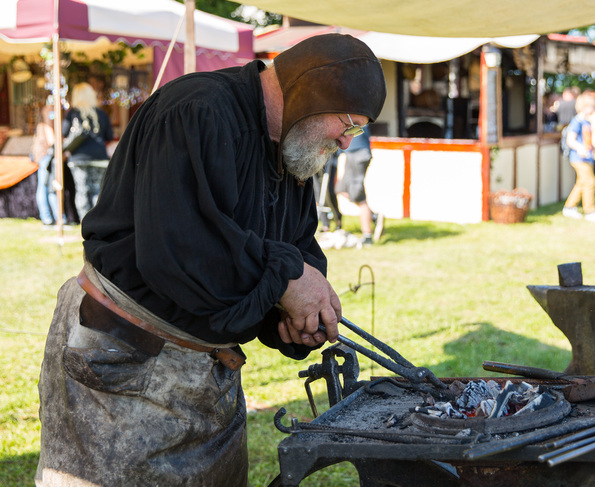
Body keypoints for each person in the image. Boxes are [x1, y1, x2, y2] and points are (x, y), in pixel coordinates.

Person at [35, 33, 387, 487]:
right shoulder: (196, 109)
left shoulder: (294, 149)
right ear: (310, 92)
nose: (346, 143)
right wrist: (284, 279)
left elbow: (295, 247)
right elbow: (180, 251)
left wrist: (288, 314)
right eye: (349, 124)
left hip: (206, 378)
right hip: (121, 365)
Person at [62, 82, 114, 220]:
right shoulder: (101, 114)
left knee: (82, 191)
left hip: (79, 158)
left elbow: (64, 132)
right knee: (98, 191)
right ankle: (97, 223)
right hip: (99, 157)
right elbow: (109, 136)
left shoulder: (72, 114)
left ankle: (85, 224)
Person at [335, 125, 385, 245]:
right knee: (341, 189)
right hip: (351, 153)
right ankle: (373, 216)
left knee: (358, 196)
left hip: (358, 153)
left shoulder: (355, 112)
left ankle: (367, 236)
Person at [562, 92, 595, 222]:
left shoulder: (587, 121)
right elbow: (571, 140)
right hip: (578, 158)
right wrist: (579, 148)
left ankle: (569, 207)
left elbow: (590, 142)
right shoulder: (577, 121)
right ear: (583, 107)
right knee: (590, 182)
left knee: (581, 183)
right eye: (590, 106)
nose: (593, 109)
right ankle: (590, 210)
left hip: (587, 158)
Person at [31, 105, 58, 226]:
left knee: (44, 186)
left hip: (43, 157)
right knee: (46, 186)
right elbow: (52, 141)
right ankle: (47, 217)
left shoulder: (41, 126)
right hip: (46, 157)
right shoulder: (46, 126)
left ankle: (48, 217)